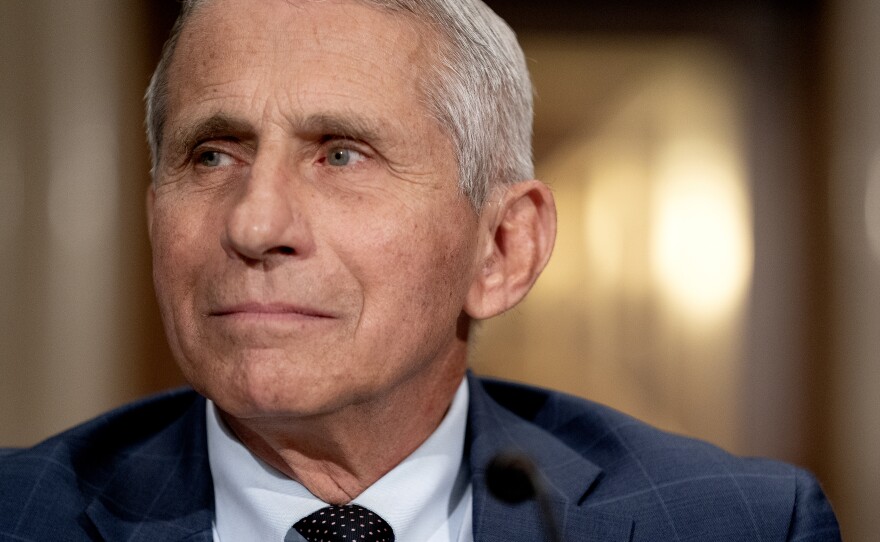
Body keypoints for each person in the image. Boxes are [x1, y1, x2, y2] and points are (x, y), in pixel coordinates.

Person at [0, 0, 841, 540]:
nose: (255, 224)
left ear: (503, 249)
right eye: (212, 155)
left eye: (340, 154)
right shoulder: (21, 515)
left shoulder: (735, 525)